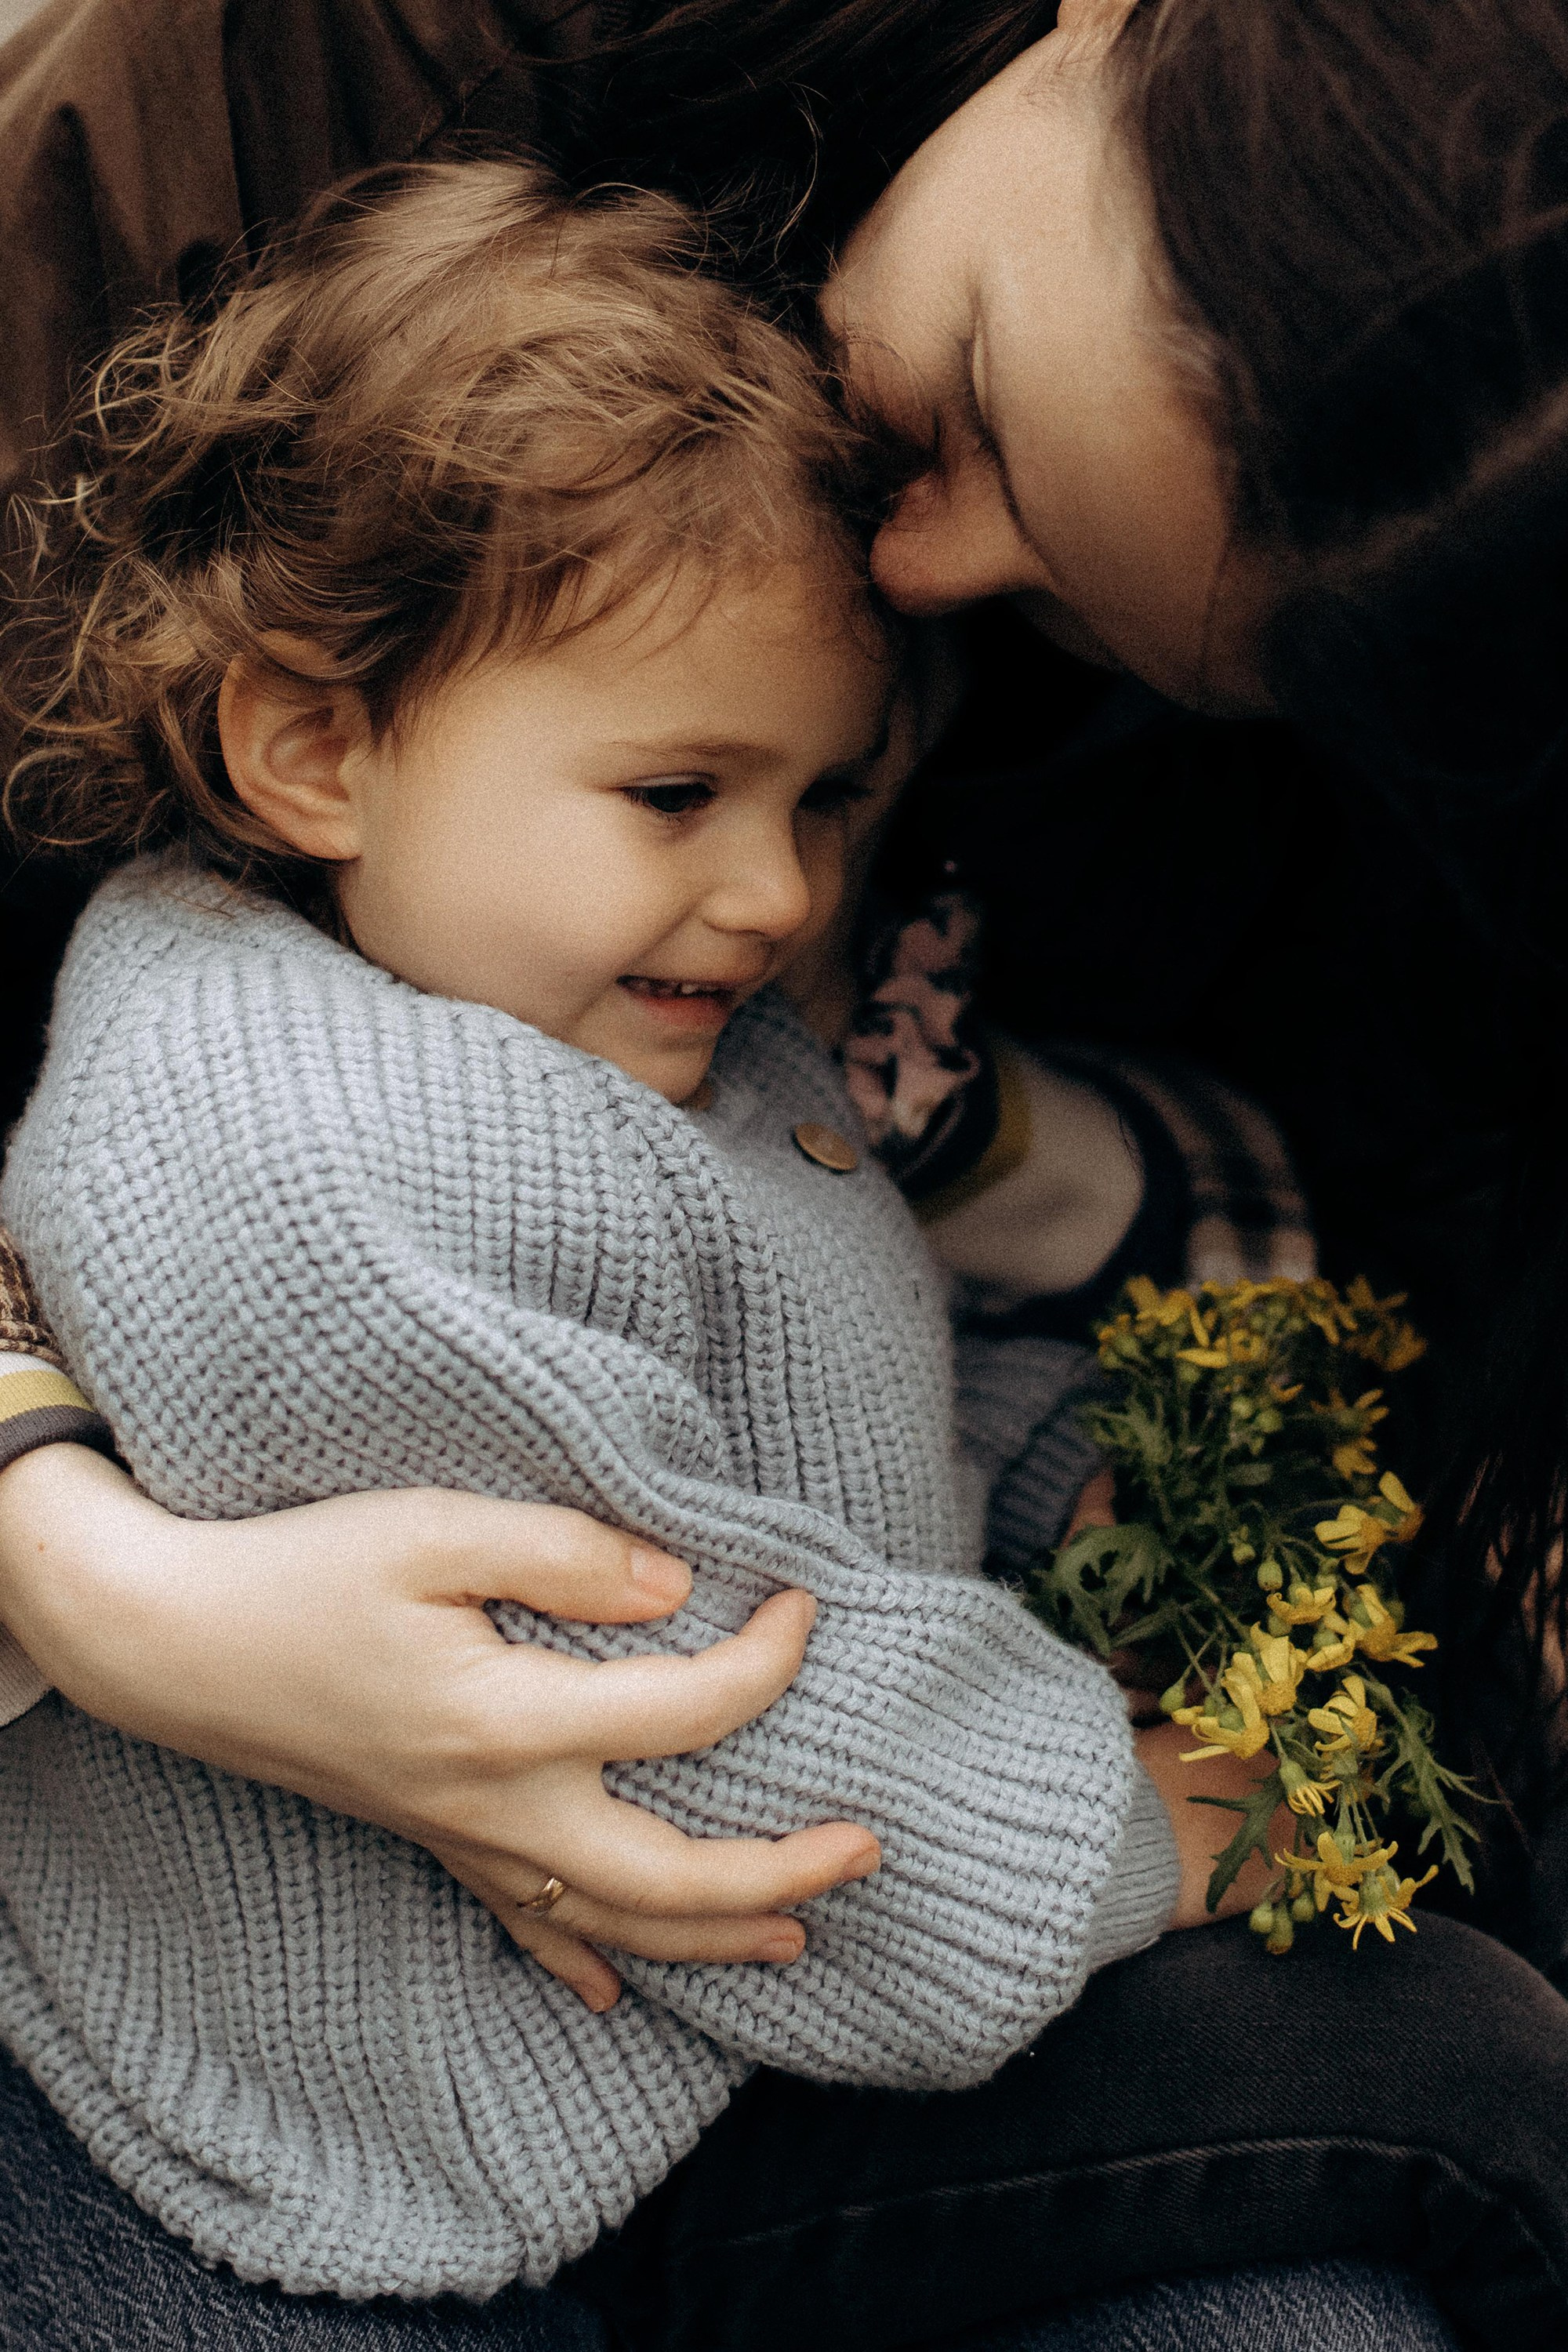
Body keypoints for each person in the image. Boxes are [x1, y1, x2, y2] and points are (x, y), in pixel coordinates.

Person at [1, 0, 1566, 2347]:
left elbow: (825, 1367)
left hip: (697, 2019)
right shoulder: (337, 1156)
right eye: (987, 423)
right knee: (1461, 2071)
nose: (932, 568)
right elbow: (724, 1720)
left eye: (832, 799)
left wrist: (1079, 1484)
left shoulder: (630, 1013)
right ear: (315, 744)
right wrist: (70, 1554)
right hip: (387, 2148)